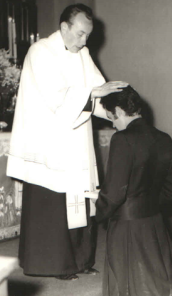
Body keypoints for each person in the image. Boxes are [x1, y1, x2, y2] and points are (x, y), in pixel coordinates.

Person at [6, 4, 128, 280]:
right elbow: (57, 97)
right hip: (49, 144)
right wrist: (93, 92)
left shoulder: (82, 54)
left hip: (77, 143)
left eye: (87, 36)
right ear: (64, 28)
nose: (85, 42)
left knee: (80, 202)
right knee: (53, 205)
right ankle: (54, 264)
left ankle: (80, 261)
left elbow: (97, 95)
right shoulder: (41, 52)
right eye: (81, 34)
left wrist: (114, 111)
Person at [95, 86, 172, 296]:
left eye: (111, 118)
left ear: (119, 110)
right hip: (155, 222)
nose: (112, 124)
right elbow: (170, 192)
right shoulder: (164, 138)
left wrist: (99, 211)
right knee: (160, 279)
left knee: (129, 285)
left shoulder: (122, 139)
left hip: (127, 226)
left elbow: (114, 193)